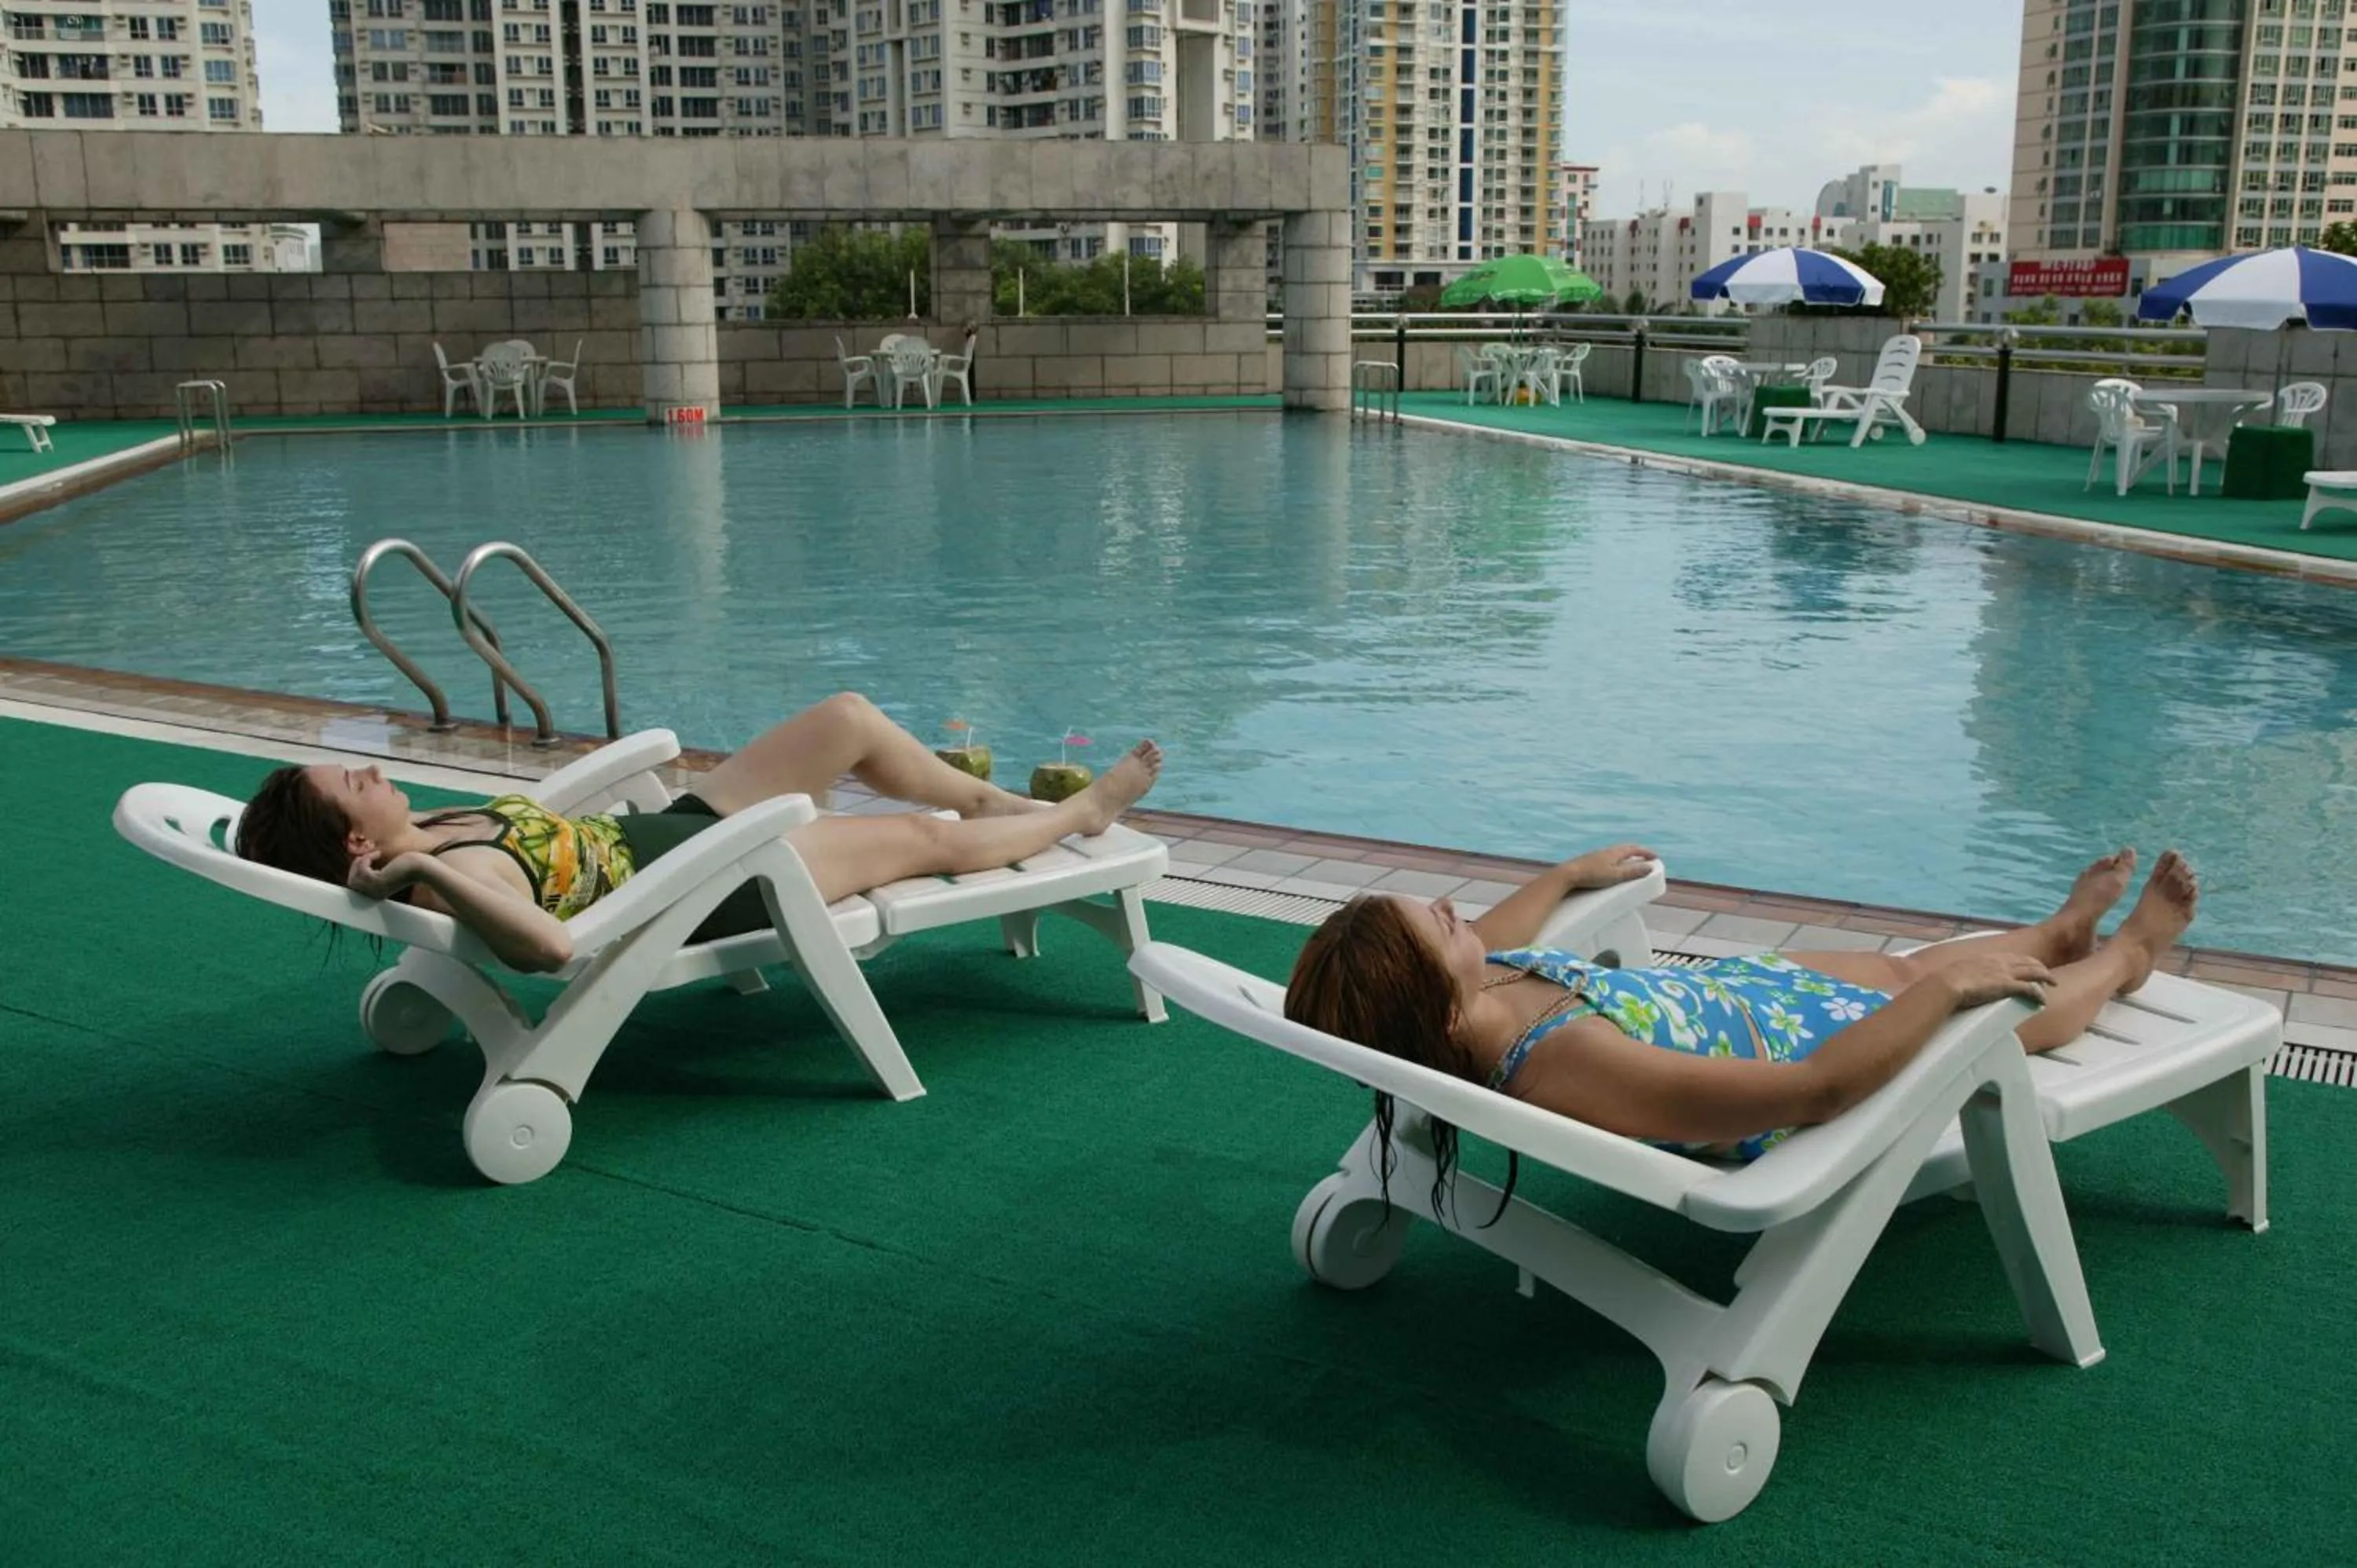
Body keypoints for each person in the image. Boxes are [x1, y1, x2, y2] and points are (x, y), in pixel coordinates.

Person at [1285, 843, 2198, 1165]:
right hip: (1800, 1058)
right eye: (1439, 926)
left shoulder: (1471, 992)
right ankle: (2123, 959)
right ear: (1438, 1005)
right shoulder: (1562, 1059)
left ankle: (2053, 930)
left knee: (1900, 967)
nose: (1455, 911)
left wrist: (1567, 876)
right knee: (1970, 999)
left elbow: (1499, 928)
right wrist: (1956, 994)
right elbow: (1812, 1088)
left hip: (1745, 997)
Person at [233, 691, 1161, 974]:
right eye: (358, 784)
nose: (374, 770)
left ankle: (996, 806)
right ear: (360, 846)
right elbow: (550, 947)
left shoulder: (436, 826)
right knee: (919, 837)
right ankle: (1078, 815)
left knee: (844, 718)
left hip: (684, 830)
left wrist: (405, 852)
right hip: (719, 880)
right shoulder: (460, 865)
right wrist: (405, 878)